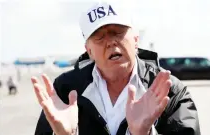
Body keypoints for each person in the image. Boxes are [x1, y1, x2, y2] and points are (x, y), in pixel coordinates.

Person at [31, 1, 200, 135]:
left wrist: (144, 133)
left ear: (135, 39)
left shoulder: (170, 91)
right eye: (99, 36)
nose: (111, 41)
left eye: (118, 32)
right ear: (88, 50)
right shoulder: (65, 90)